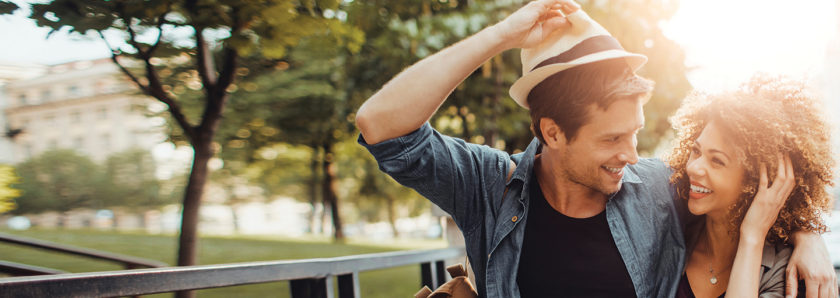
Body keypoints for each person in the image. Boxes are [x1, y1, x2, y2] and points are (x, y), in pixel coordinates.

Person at [354, 0, 836, 297]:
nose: (631, 153)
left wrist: (809, 236)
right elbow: (382, 127)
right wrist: (502, 36)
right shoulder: (488, 187)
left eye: (635, 132)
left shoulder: (654, 188)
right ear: (553, 132)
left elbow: (744, 189)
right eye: (611, 139)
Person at [668, 76, 838, 298]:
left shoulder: (790, 275)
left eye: (717, 161)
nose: (693, 168)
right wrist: (807, 233)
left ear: (758, 181)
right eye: (697, 151)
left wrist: (752, 236)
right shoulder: (670, 229)